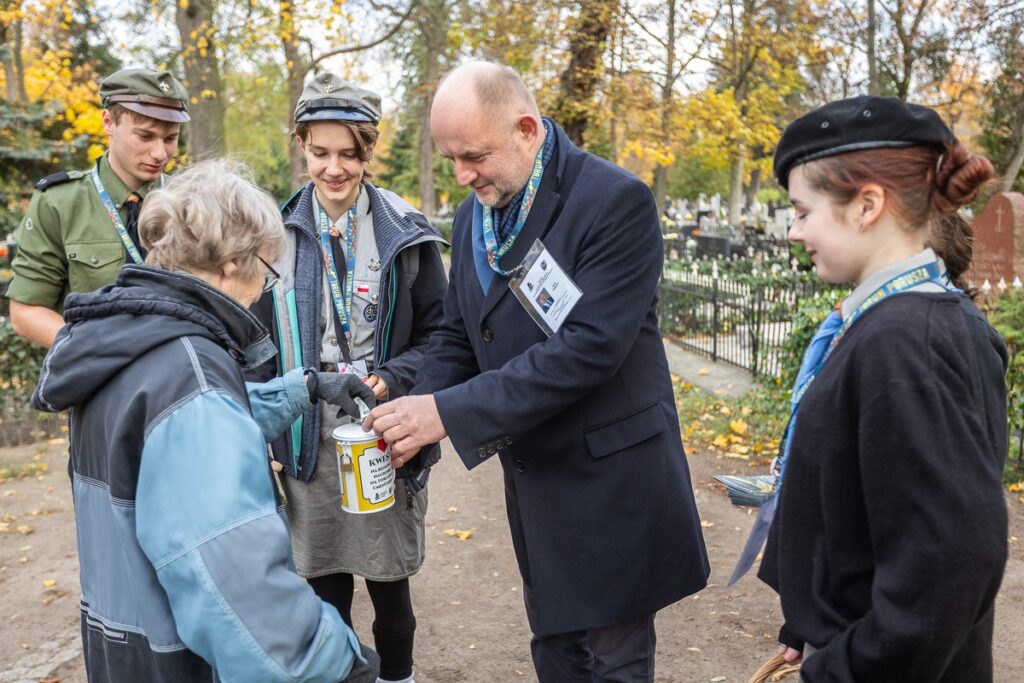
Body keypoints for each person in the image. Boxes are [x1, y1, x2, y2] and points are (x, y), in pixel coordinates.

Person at [364, 61, 710, 682]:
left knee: (613, 660)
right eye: (451, 161)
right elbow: (460, 334)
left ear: (526, 128)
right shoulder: (477, 214)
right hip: (538, 477)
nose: (463, 177)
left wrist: (445, 413)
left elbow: (588, 350)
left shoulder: (613, 201)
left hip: (610, 477)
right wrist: (406, 410)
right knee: (555, 650)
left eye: (473, 156)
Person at [30, 159, 381, 683]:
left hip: (122, 638)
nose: (267, 285)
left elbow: (168, 448)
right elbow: (235, 580)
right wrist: (329, 662)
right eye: (268, 265)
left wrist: (300, 388)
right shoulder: (187, 374)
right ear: (232, 263)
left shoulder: (127, 340)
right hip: (183, 660)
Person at [758, 96, 1008, 681]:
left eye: (802, 210)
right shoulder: (890, 323)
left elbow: (953, 560)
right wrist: (809, 617)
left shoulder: (904, 341)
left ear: (867, 204)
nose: (794, 232)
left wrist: (838, 670)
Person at [249, 73, 447, 683]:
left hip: (381, 433)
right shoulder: (269, 235)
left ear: (368, 149)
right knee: (323, 584)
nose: (334, 169)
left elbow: (442, 337)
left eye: (349, 153)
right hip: (305, 439)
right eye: (320, 152)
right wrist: (265, 433)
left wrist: (392, 377)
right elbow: (252, 343)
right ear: (302, 146)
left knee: (391, 587)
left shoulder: (404, 234)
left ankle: (398, 677)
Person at [7, 67, 189, 348]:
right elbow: (26, 312)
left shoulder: (189, 202)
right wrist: (98, 353)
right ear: (108, 122)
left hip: (177, 377)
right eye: (144, 136)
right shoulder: (60, 202)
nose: (159, 153)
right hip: (92, 381)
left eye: (170, 139)